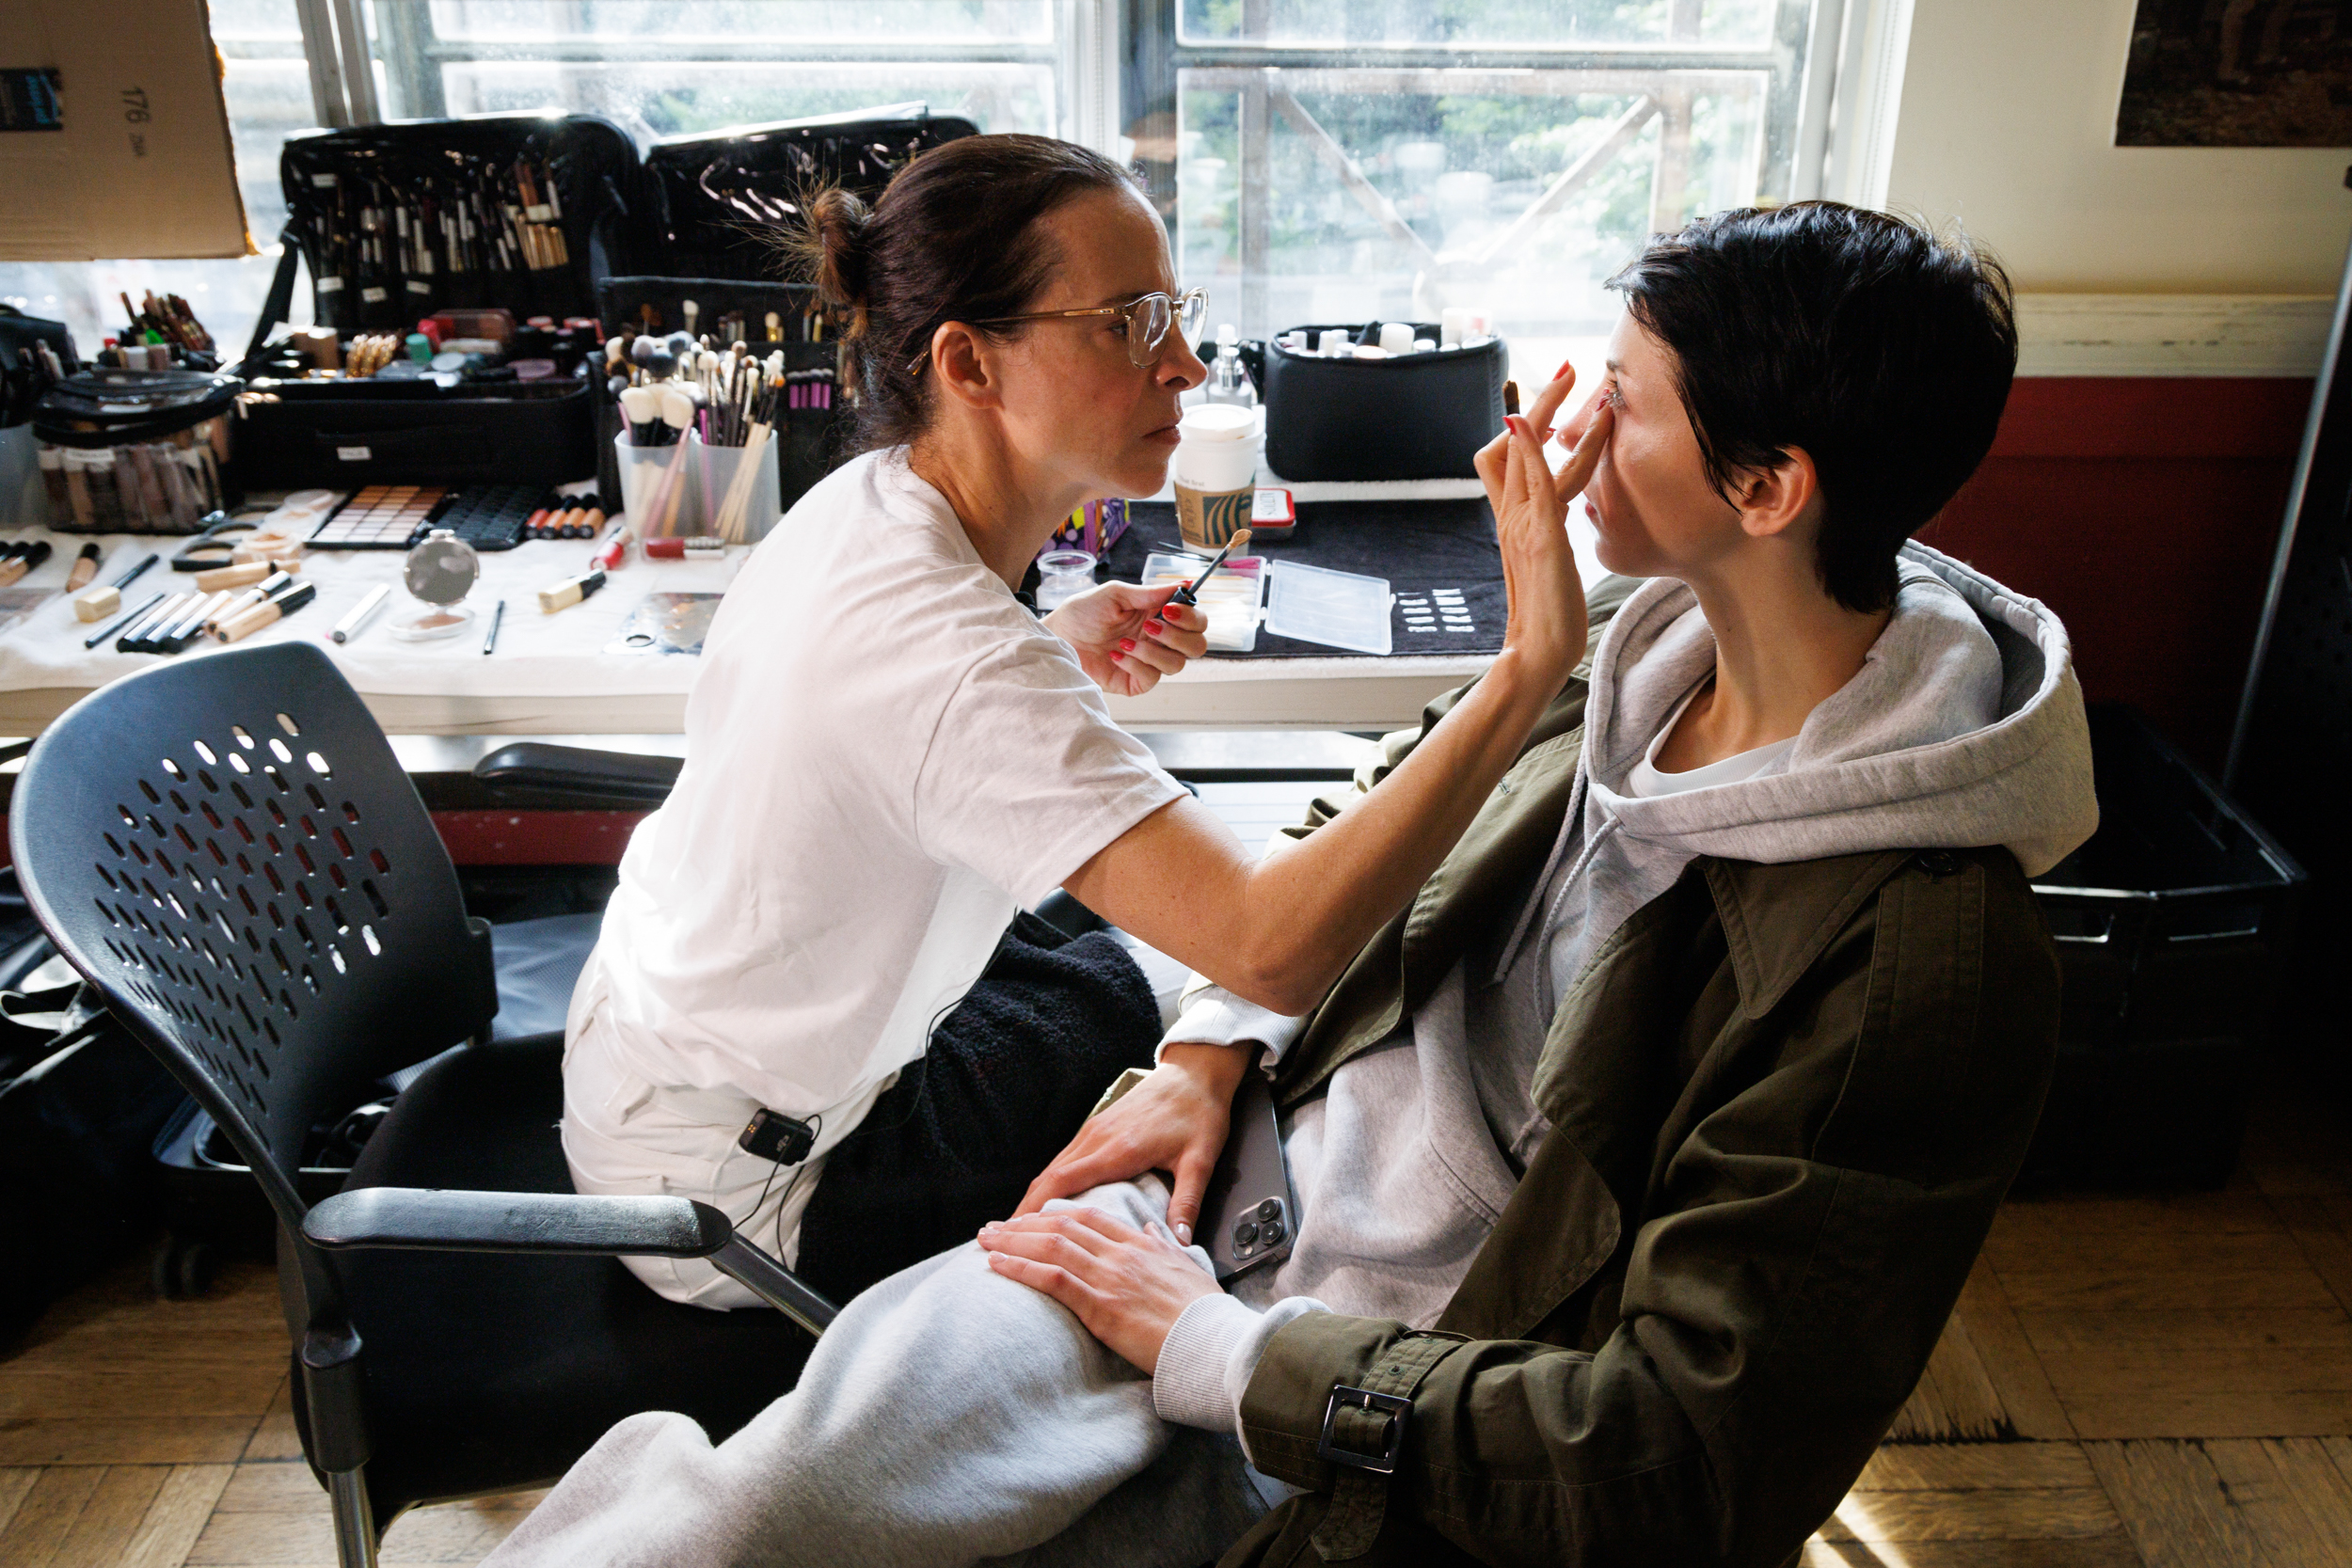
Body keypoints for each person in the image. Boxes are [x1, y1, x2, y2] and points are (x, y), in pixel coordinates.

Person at [486, 200, 2095, 1568]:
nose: (1566, 425)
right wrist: (1209, 1043)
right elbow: (1373, 811)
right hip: (1210, 1192)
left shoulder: (1918, 967)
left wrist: (1220, 1350)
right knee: (753, 1514)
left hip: (1363, 1380)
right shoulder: (1634, 645)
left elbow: (1681, 1459)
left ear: (1766, 489)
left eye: (1623, 396)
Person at [562, 133, 1612, 1313]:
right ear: (969, 362)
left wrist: (1051, 648)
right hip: (761, 1190)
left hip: (677, 1065)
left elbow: (886, 732)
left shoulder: (866, 504)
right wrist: (1527, 666)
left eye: (1173, 312)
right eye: (1126, 324)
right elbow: (1275, 941)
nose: (1186, 363)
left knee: (1185, 981)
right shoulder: (948, 653)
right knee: (1252, 1051)